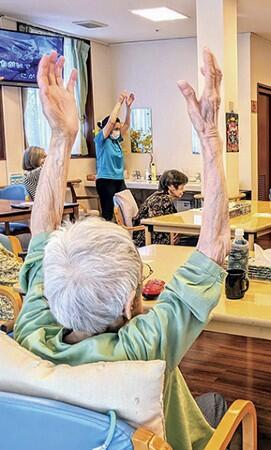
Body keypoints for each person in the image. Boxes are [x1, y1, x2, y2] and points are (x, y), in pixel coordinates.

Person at [14, 49, 233, 450]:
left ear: (51, 288)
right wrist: (211, 140)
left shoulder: (31, 333)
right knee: (219, 405)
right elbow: (216, 245)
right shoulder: (142, 349)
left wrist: (61, 138)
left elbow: (41, 231)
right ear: (127, 306)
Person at [95, 90, 135, 221]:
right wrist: (119, 103)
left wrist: (128, 107)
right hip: (105, 180)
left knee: (126, 210)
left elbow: (127, 124)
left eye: (118, 128)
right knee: (108, 213)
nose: (117, 130)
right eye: (115, 128)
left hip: (119, 180)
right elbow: (111, 122)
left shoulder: (117, 140)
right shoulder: (101, 140)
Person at [132, 169, 189, 247]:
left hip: (149, 235)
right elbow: (158, 224)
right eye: (181, 187)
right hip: (147, 239)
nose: (183, 190)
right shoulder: (161, 200)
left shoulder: (161, 196)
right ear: (171, 186)